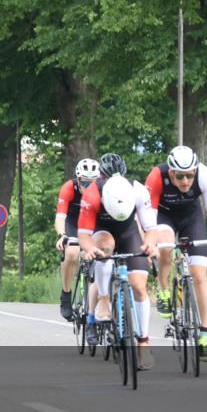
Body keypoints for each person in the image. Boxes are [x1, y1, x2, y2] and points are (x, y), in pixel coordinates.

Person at [143, 145, 207, 361]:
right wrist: (150, 244)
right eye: (180, 176)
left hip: (191, 217)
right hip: (162, 217)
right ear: (171, 172)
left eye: (190, 175)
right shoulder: (156, 176)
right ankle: (163, 288)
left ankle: (205, 334)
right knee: (167, 246)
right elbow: (147, 218)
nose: (185, 181)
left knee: (200, 276)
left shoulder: (205, 175)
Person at [77, 153, 159, 369]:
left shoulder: (138, 190)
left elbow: (151, 229)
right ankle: (104, 298)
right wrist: (89, 249)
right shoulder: (92, 194)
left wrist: (150, 245)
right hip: (102, 231)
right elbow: (84, 235)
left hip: (129, 232)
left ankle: (143, 342)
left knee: (139, 287)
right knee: (103, 247)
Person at [55, 158, 100, 320]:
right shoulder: (69, 188)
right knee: (72, 252)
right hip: (73, 224)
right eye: (85, 184)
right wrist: (62, 236)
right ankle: (66, 294)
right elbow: (60, 217)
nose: (88, 188)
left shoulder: (102, 189)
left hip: (93, 224)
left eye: (92, 184)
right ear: (78, 179)